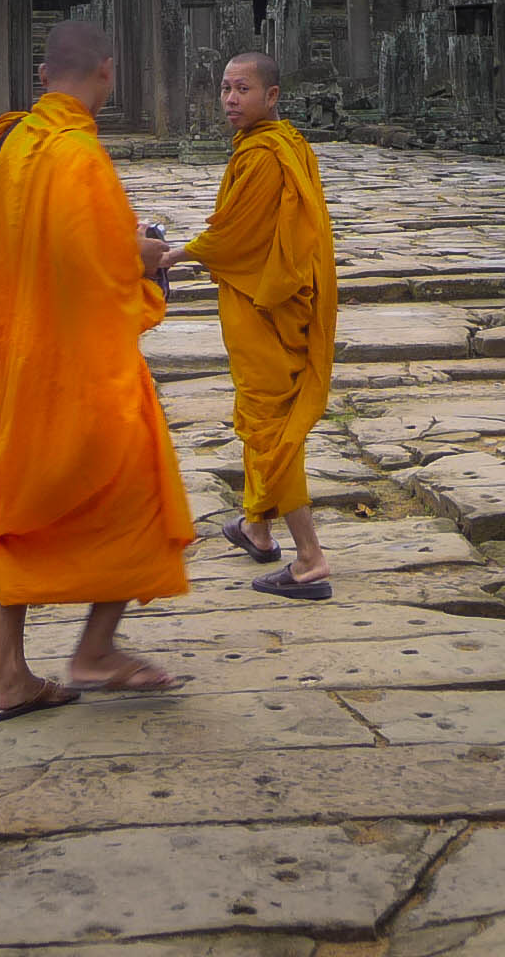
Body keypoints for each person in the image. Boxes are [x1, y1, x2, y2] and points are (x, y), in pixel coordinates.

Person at [0, 18, 194, 720]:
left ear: (44, 77)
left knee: (17, 510)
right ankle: (95, 650)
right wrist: (145, 256)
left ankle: (8, 676)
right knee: (141, 489)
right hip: (78, 365)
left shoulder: (11, 140)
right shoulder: (79, 156)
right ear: (108, 72)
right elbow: (105, 264)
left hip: (15, 359)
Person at [167, 50, 338, 601]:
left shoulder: (269, 155)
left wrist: (177, 254)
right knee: (258, 412)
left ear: (273, 96)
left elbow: (234, 235)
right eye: (225, 89)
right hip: (265, 300)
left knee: (269, 427)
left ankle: (309, 558)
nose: (232, 100)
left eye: (243, 89)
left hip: (267, 304)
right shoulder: (279, 146)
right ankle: (257, 527)